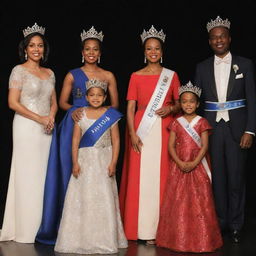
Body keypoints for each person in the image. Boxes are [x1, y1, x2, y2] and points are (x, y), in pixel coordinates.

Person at [36, 26, 119, 245]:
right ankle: (69, 225)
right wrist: (76, 111)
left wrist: (100, 115)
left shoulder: (108, 75)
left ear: (100, 53)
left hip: (100, 127)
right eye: (87, 49)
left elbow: (116, 104)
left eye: (95, 49)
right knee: (72, 174)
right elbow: (63, 102)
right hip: (76, 124)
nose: (91, 53)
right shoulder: (73, 74)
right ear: (82, 52)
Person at [194, 16, 256, 243]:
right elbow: (196, 103)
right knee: (216, 179)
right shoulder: (201, 67)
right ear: (209, 41)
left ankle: (237, 224)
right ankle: (220, 223)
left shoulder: (245, 64)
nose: (218, 40)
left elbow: (252, 98)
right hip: (211, 130)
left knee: (236, 179)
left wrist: (250, 130)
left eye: (222, 36)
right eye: (214, 38)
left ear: (229, 38)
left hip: (238, 130)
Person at [119, 25, 181, 244]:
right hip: (141, 130)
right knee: (140, 179)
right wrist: (132, 134)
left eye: (156, 49)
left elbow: (181, 104)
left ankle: (161, 231)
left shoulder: (171, 76)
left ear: (162, 52)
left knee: (162, 176)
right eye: (149, 49)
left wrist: (171, 109)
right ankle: (139, 230)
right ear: (144, 52)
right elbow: (129, 108)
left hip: (165, 130)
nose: (153, 52)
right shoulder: (135, 76)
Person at [54, 78, 128, 254]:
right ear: (87, 97)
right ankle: (81, 238)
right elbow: (75, 141)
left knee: (104, 197)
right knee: (84, 196)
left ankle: (105, 238)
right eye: (92, 95)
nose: (96, 98)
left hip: (104, 160)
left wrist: (113, 163)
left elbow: (116, 141)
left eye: (99, 95)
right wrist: (75, 162)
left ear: (104, 97)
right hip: (85, 161)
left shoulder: (111, 116)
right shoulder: (81, 115)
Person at [0, 23, 57, 243]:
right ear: (25, 48)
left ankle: (42, 226)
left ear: (44, 49)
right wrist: (40, 118)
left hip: (47, 127)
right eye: (32, 45)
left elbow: (53, 101)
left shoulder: (50, 73)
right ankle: (24, 228)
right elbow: (12, 103)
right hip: (26, 126)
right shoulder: (18, 70)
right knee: (27, 174)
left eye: (40, 45)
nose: (36, 49)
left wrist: (51, 116)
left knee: (43, 174)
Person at [156, 81, 223, 253]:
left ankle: (202, 239)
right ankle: (177, 239)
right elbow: (171, 146)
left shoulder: (202, 122)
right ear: (181, 103)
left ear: (198, 104)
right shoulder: (177, 122)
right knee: (178, 201)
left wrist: (194, 163)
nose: (187, 105)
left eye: (191, 101)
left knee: (200, 201)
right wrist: (179, 162)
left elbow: (205, 146)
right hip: (178, 166)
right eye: (184, 101)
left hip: (197, 166)